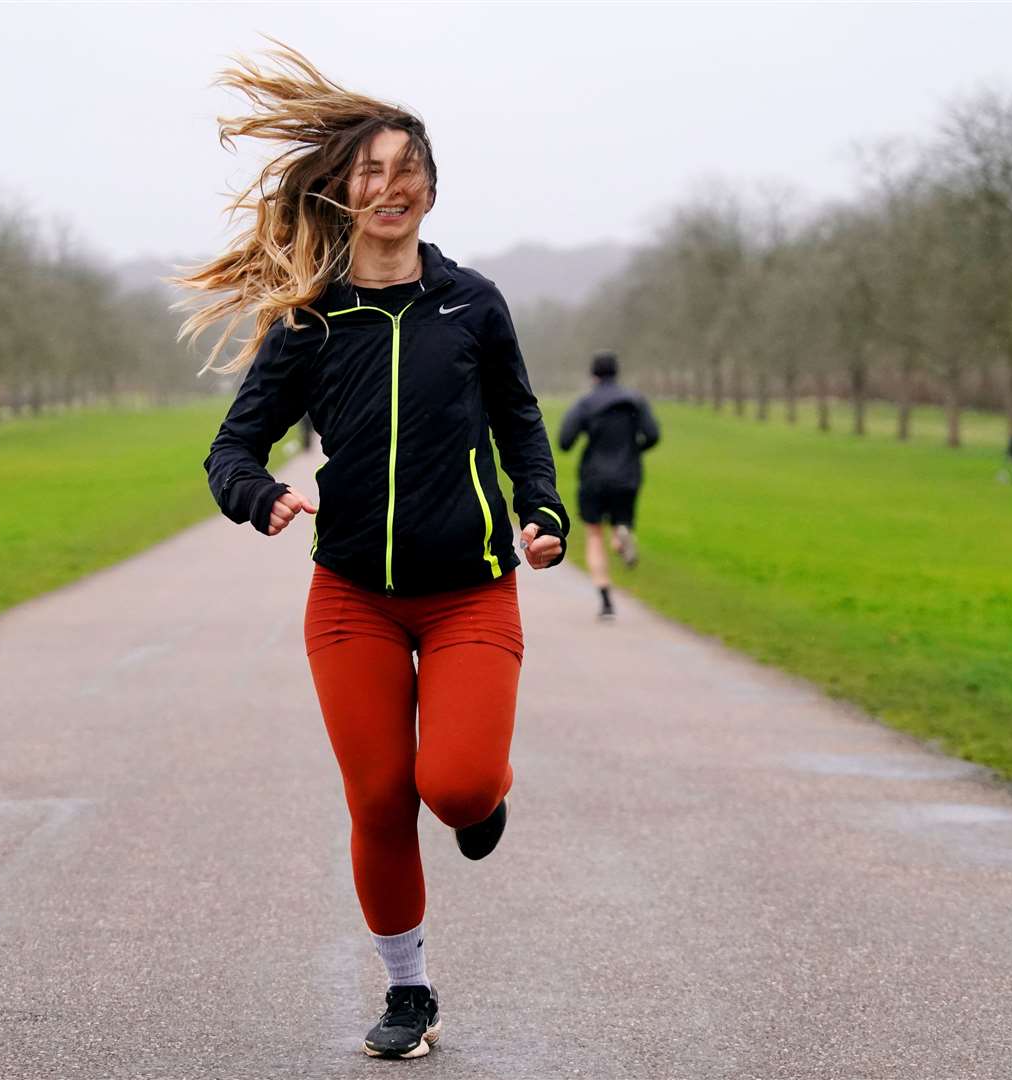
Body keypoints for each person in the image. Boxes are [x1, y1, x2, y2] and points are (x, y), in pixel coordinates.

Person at [177, 45, 569, 1061]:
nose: (389, 187)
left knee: (458, 788)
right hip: (352, 596)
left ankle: (484, 798)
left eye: (406, 171)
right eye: (371, 172)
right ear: (344, 193)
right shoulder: (312, 321)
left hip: (469, 596)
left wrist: (543, 509)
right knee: (381, 800)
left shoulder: (473, 304)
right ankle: (409, 993)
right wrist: (257, 496)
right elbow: (230, 447)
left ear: (431, 190)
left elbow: (522, 419)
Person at [558, 351, 660, 618]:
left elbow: (565, 441)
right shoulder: (635, 400)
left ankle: (605, 600)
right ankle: (622, 535)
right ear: (617, 372)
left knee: (594, 534)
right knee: (621, 521)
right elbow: (653, 435)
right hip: (628, 475)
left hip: (594, 477)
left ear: (593, 375)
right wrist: (634, 449)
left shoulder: (586, 403)